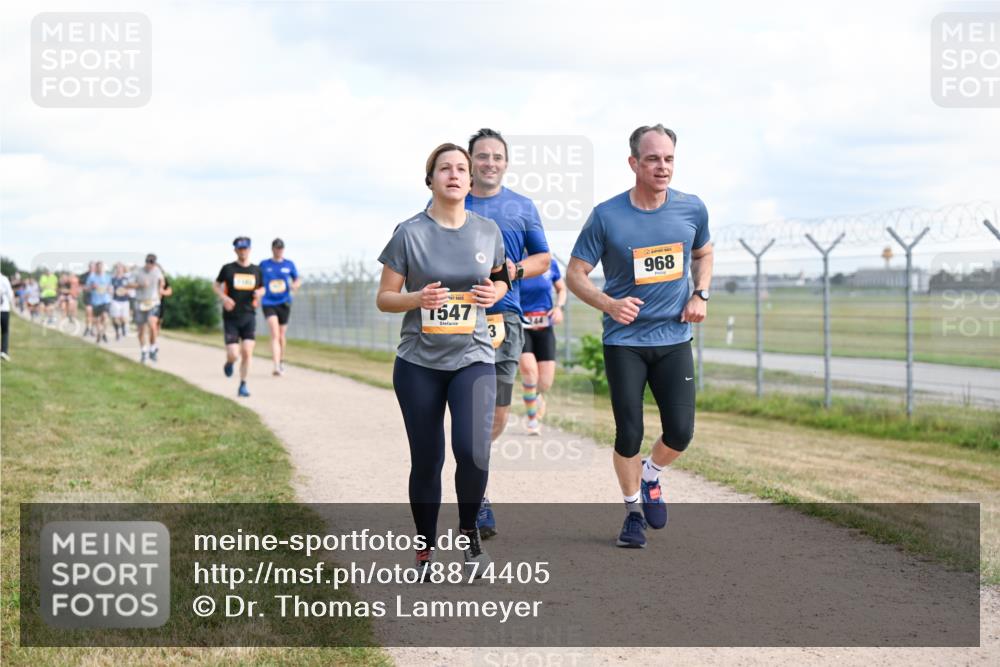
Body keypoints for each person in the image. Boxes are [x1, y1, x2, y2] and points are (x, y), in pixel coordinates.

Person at [566, 124, 713, 549]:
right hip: (624, 342)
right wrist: (609, 304)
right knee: (629, 432)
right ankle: (632, 512)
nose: (661, 166)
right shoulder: (607, 215)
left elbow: (703, 252)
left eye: (668, 158)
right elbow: (576, 274)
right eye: (652, 158)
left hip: (673, 338)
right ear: (634, 163)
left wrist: (700, 293)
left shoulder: (691, 209)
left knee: (681, 432)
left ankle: (652, 475)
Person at [376, 143, 508, 576]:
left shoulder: (487, 231)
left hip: (473, 356)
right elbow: (385, 298)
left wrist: (496, 293)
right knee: (428, 459)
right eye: (444, 168)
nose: (454, 174)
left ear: (471, 181)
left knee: (473, 452)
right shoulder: (409, 233)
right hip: (419, 364)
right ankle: (424, 548)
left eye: (462, 168)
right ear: (430, 179)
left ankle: (470, 539)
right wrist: (417, 297)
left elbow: (502, 279)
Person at [464, 128, 551, 539]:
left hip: (505, 318)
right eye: (482, 156)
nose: (490, 163)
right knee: (469, 409)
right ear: (470, 160)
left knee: (496, 414)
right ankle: (478, 496)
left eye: (497, 157)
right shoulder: (449, 200)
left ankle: (474, 467)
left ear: (506, 162)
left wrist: (515, 270)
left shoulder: (522, 206)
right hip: (456, 318)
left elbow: (543, 258)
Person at [518, 257, 568, 435]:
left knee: (545, 382)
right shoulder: (514, 263)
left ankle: (535, 396)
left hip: (545, 326)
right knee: (530, 372)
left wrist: (559, 307)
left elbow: (561, 289)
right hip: (521, 325)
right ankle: (532, 420)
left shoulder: (550, 263)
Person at [214, 237, 264, 397]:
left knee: (247, 352)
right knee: (234, 354)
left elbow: (263, 288)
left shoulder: (256, 270)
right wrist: (224, 298)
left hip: (249, 315)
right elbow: (215, 285)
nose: (243, 251)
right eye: (240, 248)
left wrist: (260, 293)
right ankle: (229, 363)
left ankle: (243, 384)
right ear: (235, 250)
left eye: (245, 248)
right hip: (231, 317)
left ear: (250, 249)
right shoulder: (228, 269)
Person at [259, 238, 301, 375]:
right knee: (275, 334)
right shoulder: (264, 265)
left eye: (281, 248)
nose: (279, 250)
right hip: (268, 302)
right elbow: (257, 279)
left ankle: (281, 361)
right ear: (272, 249)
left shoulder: (289, 264)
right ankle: (276, 365)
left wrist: (295, 285)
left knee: (282, 336)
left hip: (284, 302)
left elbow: (297, 278)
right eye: (277, 248)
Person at [134, 254, 165, 363]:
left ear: (155, 263)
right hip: (140, 303)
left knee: (152, 325)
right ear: (145, 261)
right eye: (148, 261)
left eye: (152, 262)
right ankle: (144, 350)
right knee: (141, 330)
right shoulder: (138, 272)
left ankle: (152, 348)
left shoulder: (157, 271)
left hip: (153, 302)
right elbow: (128, 285)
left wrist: (161, 288)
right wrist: (140, 285)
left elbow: (162, 281)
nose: (150, 264)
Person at [84, 261, 113, 343]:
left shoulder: (108, 277)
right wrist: (92, 287)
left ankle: (103, 332)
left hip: (105, 300)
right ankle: (100, 334)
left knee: (105, 316)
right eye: (98, 267)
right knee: (97, 320)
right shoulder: (92, 277)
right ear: (96, 268)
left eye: (101, 267)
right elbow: (86, 288)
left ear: (103, 268)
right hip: (96, 301)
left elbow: (111, 288)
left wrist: (109, 289)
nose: (100, 269)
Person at [109, 263, 132, 340]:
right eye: (117, 268)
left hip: (124, 301)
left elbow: (130, 288)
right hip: (115, 300)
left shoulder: (126, 279)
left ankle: (123, 329)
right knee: (115, 318)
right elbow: (110, 288)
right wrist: (111, 291)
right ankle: (117, 333)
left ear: (123, 269)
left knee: (123, 318)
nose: (119, 270)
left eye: (120, 268)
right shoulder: (112, 279)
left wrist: (126, 291)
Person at [152, 264, 173, 339]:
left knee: (159, 320)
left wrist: (162, 292)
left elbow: (170, 291)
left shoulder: (164, 279)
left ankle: (156, 334)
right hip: (150, 302)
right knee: (153, 320)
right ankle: (153, 336)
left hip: (161, 302)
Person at [1, 272, 13, 361]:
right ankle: (4, 351)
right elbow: (10, 294)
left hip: (4, 308)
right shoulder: (4, 279)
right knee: (5, 331)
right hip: (4, 309)